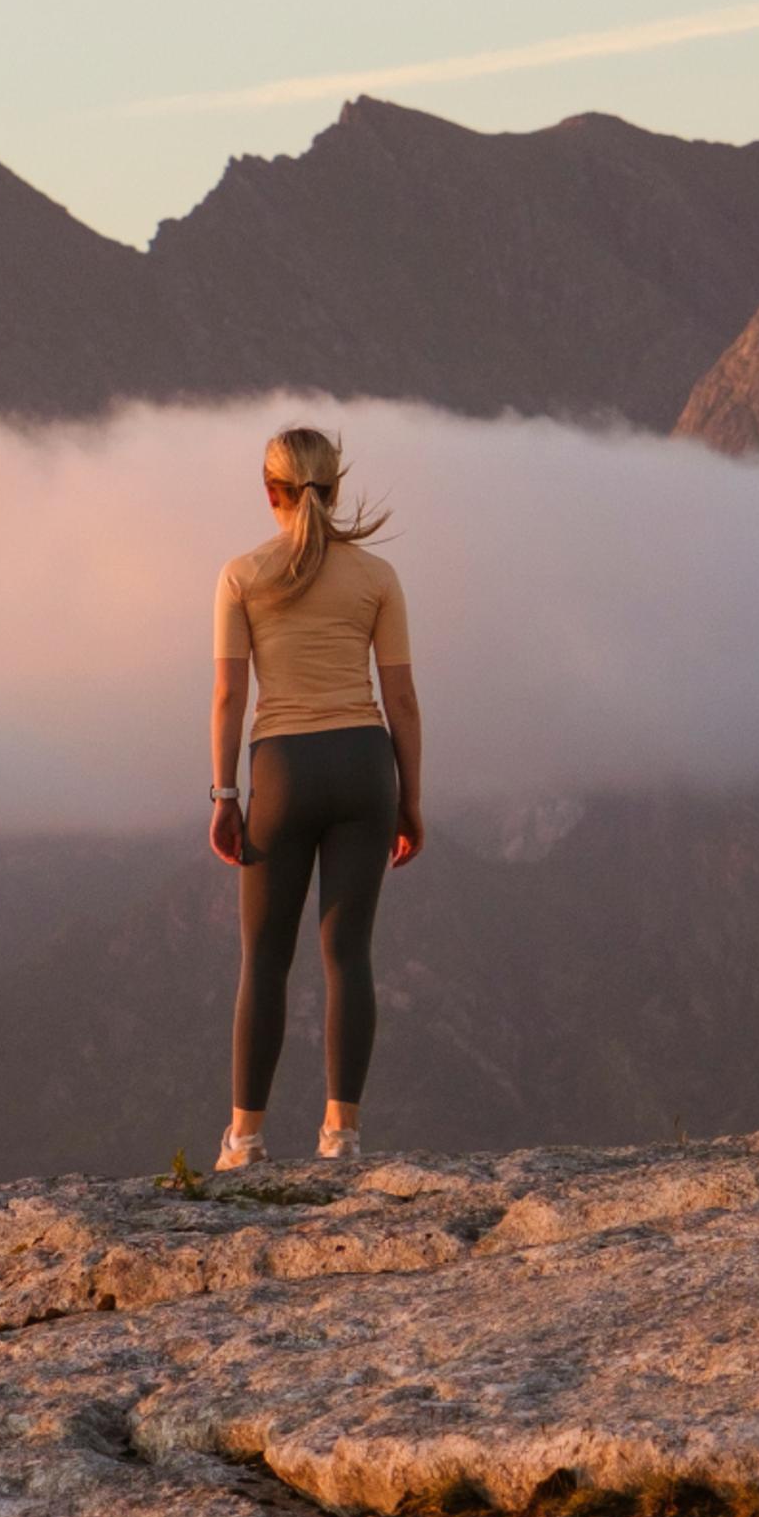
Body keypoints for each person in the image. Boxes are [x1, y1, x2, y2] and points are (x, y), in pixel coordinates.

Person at [207, 425, 425, 1170]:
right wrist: (411, 798)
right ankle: (342, 1135)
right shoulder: (376, 577)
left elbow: (230, 695)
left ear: (271, 493)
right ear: (334, 491)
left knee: (265, 959)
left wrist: (224, 794)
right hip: (365, 763)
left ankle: (244, 1140)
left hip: (282, 771)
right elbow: (402, 696)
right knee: (347, 954)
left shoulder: (242, 575)